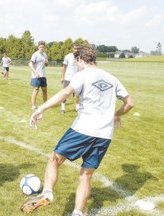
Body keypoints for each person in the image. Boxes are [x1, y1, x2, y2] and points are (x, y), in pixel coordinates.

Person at [21, 45, 134, 215]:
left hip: (82, 129)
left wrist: (40, 109)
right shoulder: (112, 78)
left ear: (80, 59)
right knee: (86, 174)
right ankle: (78, 213)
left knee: (54, 160)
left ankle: (48, 193)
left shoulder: (82, 75)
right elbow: (130, 103)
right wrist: (115, 115)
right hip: (104, 135)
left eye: (77, 62)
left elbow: (65, 93)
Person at [29, 41, 49, 110]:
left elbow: (46, 64)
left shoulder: (45, 55)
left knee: (44, 90)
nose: (41, 48)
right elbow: (30, 64)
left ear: (44, 47)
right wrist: (35, 72)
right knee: (36, 90)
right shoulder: (35, 55)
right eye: (40, 47)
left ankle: (45, 105)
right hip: (36, 76)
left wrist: (46, 63)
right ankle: (33, 106)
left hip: (43, 75)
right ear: (38, 47)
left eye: (43, 47)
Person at [61, 43, 80, 114]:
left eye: (77, 49)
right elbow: (64, 67)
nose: (76, 50)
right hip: (68, 78)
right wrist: (62, 77)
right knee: (65, 94)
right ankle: (63, 108)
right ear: (72, 48)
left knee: (78, 94)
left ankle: (77, 108)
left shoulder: (80, 57)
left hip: (77, 79)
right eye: (75, 48)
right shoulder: (68, 56)